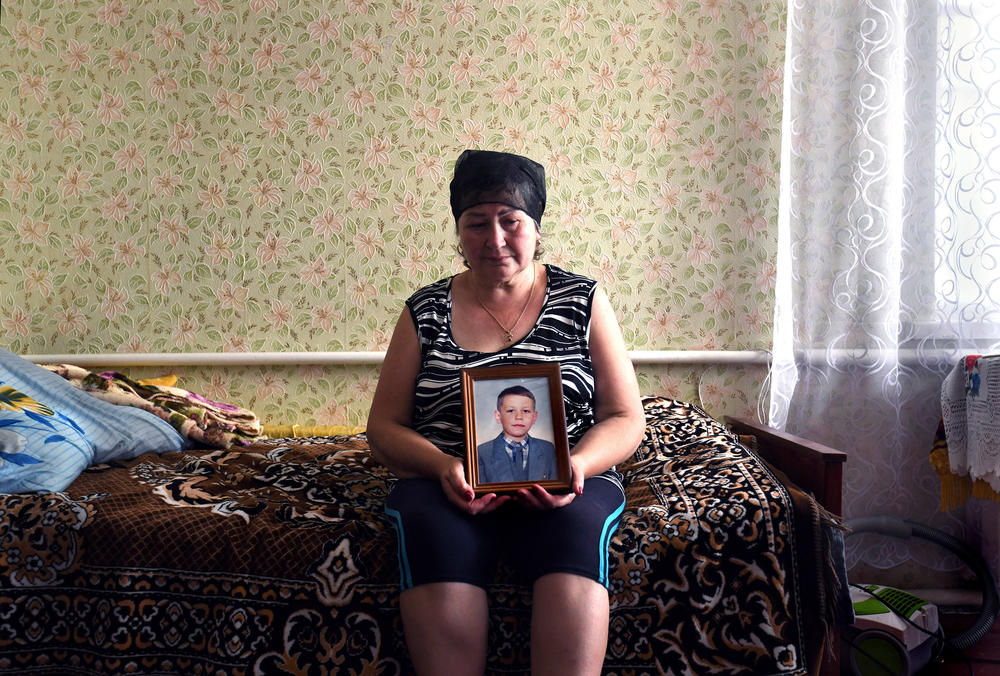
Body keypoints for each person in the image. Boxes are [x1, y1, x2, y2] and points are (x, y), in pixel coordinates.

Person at [366, 148, 645, 676]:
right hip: (448, 480)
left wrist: (578, 467)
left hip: (569, 480)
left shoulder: (582, 299)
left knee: (574, 532)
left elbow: (626, 416)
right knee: (433, 530)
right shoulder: (425, 310)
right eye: (477, 224)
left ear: (536, 230)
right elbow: (383, 427)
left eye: (510, 221)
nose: (494, 240)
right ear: (459, 233)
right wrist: (442, 468)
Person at [477, 384, 557, 484]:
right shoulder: (483, 452)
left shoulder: (547, 449)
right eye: (511, 411)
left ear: (534, 417)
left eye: (526, 411)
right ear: (498, 416)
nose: (519, 417)